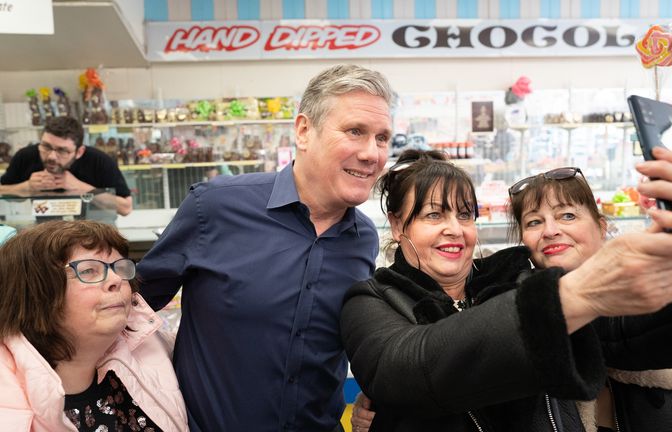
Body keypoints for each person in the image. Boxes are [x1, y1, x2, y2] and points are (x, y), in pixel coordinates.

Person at [341, 149, 672, 431]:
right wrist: (574, 297)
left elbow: (619, 334)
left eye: (465, 215)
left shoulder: (514, 277)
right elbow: (410, 368)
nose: (455, 230)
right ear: (398, 226)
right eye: (433, 216)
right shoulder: (371, 300)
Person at [137, 64, 394, 431]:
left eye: (382, 138)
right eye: (355, 131)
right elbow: (130, 307)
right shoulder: (215, 208)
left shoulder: (364, 238)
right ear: (305, 131)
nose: (372, 153)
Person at [0, 220, 187, 431]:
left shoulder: (156, 350)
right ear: (33, 292)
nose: (116, 279)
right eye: (89, 270)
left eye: (120, 267)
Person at [0, 116, 133, 216]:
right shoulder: (26, 156)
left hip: (93, 236)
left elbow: (125, 208)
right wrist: (26, 187)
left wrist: (83, 188)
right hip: (41, 235)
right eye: (46, 146)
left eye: (62, 150)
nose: (51, 156)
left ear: (79, 152)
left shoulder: (99, 161)